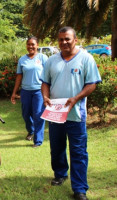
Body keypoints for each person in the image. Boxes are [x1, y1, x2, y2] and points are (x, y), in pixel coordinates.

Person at [41, 26, 101, 200]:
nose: (64, 42)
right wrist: (45, 96)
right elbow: (45, 82)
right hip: (55, 114)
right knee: (57, 147)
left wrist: (76, 98)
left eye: (67, 39)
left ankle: (80, 189)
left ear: (75, 39)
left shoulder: (86, 58)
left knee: (78, 151)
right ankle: (60, 174)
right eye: (61, 39)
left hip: (76, 114)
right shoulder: (51, 60)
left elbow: (92, 84)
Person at [11, 36, 48, 147]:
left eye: (33, 44)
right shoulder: (22, 59)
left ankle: (38, 141)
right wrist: (14, 92)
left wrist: (48, 91)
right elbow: (19, 76)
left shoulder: (43, 58)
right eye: (29, 44)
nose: (31, 46)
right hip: (25, 91)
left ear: (37, 45)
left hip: (39, 91)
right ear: (26, 45)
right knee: (26, 114)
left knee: (38, 114)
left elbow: (48, 75)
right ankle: (31, 130)